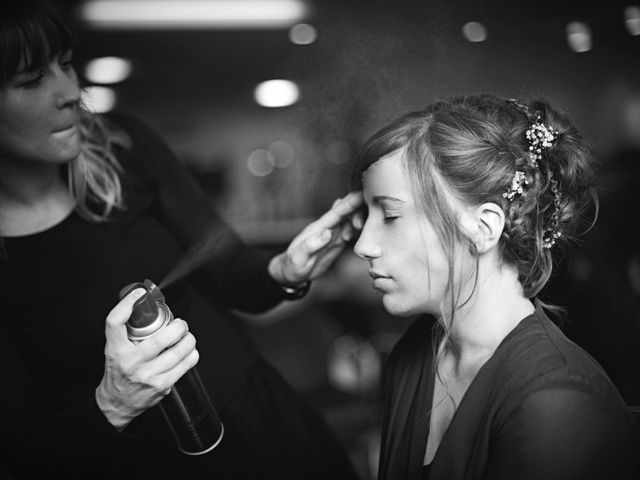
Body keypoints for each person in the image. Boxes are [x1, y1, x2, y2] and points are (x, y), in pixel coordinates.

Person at [0, 1, 363, 478]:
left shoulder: (125, 149)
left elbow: (230, 272)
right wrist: (112, 404)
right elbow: (20, 456)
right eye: (31, 80)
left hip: (261, 423)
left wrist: (283, 270)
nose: (70, 91)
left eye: (66, 63)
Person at [351, 94, 640, 479]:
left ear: (483, 228)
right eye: (365, 215)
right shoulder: (415, 353)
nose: (362, 245)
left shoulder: (554, 402)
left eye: (389, 214)